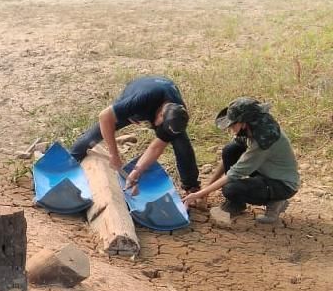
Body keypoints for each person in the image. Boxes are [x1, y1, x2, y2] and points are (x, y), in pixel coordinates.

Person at [69, 76, 200, 193]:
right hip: (139, 91)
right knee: (95, 134)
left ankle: (192, 187)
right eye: (160, 124)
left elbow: (156, 147)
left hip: (161, 96)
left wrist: (136, 172)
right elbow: (104, 117)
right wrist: (114, 154)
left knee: (182, 144)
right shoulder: (141, 100)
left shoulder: (177, 115)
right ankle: (70, 162)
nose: (159, 128)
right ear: (160, 114)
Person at [183, 97, 299, 224]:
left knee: (231, 188)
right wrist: (206, 189)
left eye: (233, 124)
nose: (230, 128)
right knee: (230, 149)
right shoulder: (251, 129)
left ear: (244, 122)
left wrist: (199, 194)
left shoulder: (263, 140)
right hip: (266, 172)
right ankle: (236, 204)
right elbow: (229, 159)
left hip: (282, 185)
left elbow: (234, 173)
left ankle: (275, 201)